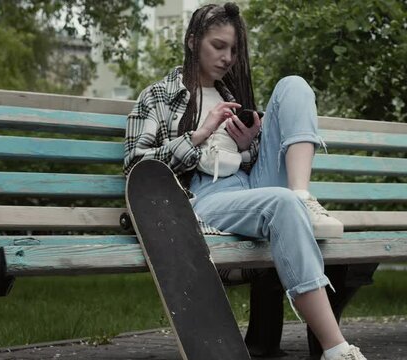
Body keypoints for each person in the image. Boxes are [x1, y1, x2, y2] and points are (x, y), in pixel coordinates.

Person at [123, 3, 366, 360]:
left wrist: (246, 143)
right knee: (281, 205)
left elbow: (244, 161)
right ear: (193, 42)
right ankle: (337, 349)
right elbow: (135, 168)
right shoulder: (159, 96)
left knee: (293, 86)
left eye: (234, 50)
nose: (227, 57)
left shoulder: (232, 97)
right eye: (218, 46)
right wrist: (198, 135)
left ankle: (301, 192)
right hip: (203, 200)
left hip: (250, 185)